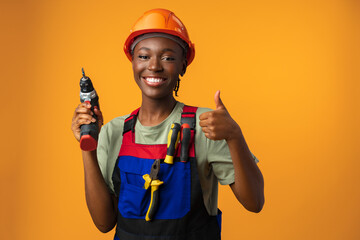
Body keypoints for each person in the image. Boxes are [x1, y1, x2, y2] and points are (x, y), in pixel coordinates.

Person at [71, 8, 264, 240]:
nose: (154, 66)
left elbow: (255, 202)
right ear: (132, 62)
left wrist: (234, 135)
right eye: (144, 56)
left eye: (168, 57)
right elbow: (103, 223)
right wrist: (88, 145)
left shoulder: (205, 126)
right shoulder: (114, 132)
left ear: (183, 65)